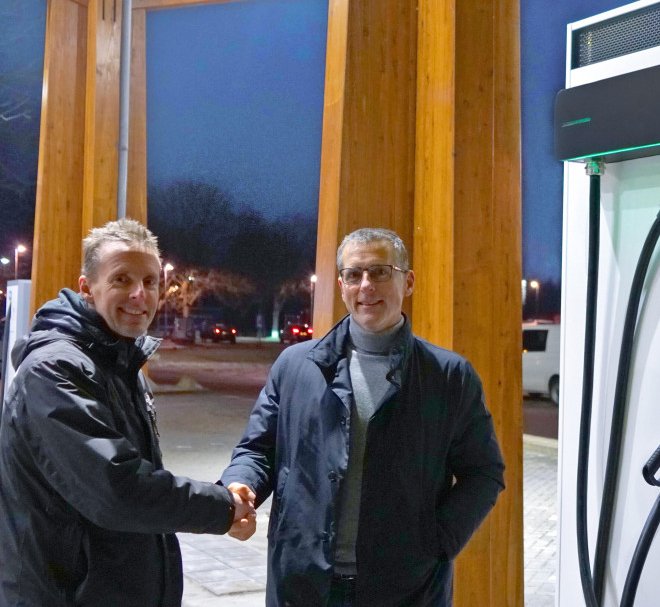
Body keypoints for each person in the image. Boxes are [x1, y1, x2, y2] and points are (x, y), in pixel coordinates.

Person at [221, 227, 505, 607]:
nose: (366, 285)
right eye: (354, 274)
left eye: (381, 272)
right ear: (341, 286)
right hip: (302, 581)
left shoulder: (448, 376)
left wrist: (437, 543)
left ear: (408, 282)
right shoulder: (296, 366)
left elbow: (483, 473)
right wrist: (240, 485)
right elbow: (258, 450)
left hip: (406, 588)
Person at [0, 218, 256, 606]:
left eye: (151, 282)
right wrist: (221, 507)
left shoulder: (117, 361)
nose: (140, 295)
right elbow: (116, 489)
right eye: (122, 280)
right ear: (87, 288)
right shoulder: (54, 369)